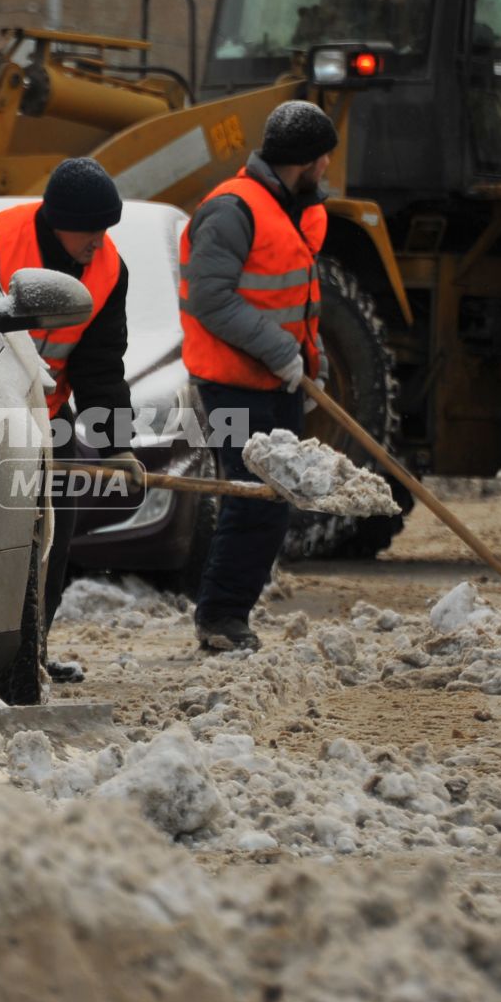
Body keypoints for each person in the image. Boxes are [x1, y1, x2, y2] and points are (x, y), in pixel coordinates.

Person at [180, 100, 335, 652]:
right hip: (230, 384)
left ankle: (230, 614)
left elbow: (294, 297)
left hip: (278, 381)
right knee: (252, 499)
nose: (328, 170)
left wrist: (310, 360)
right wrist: (280, 351)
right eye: (325, 159)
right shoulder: (232, 209)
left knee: (274, 502)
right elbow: (211, 299)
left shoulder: (297, 208)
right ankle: (220, 619)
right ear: (310, 160)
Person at [0, 157, 136, 684]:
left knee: (56, 533)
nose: (99, 242)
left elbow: (100, 365)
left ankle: (32, 655)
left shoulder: (107, 268)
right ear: (56, 221)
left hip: (49, 416)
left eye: (105, 230)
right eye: (89, 231)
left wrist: (117, 445)